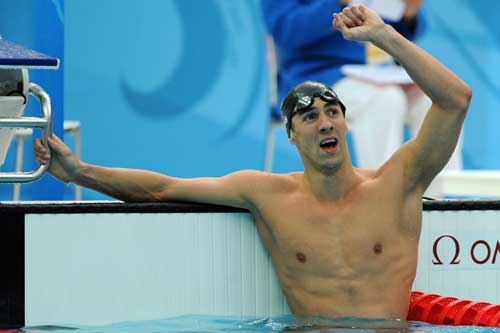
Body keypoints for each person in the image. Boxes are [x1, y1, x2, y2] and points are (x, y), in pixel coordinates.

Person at [34, 5, 471, 319]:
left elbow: (456, 100)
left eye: (332, 112)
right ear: (292, 135)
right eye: (310, 116)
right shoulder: (267, 195)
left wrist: (383, 36)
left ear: (345, 123)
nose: (324, 123)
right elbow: (162, 188)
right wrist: (79, 172)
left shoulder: (397, 184)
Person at [261, 0, 463, 196]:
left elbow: (393, 29)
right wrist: (337, 3)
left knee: (435, 98)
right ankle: (381, 201)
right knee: (385, 99)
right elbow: (285, 31)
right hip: (317, 77)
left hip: (379, 73)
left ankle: (439, 205)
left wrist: (409, 15)